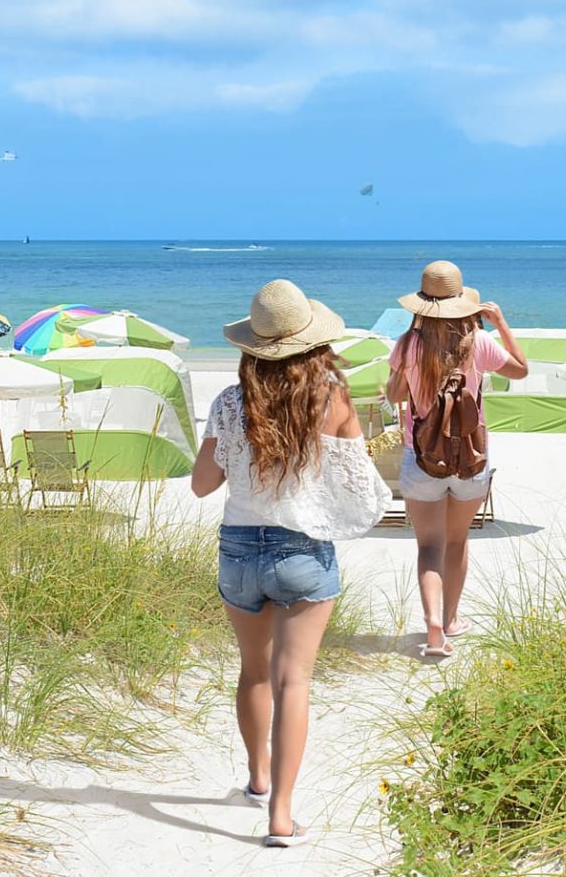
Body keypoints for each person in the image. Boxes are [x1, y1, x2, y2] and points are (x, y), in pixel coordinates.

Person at [193, 279, 382, 848]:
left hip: (240, 549)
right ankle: (280, 815)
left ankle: (255, 779)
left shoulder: (230, 403)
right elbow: (359, 489)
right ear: (312, 344)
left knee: (254, 672)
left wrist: (232, 451)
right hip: (302, 551)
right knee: (293, 681)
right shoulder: (332, 399)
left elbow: (203, 485)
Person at [385, 260, 528, 659]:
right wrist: (499, 323)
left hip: (421, 459)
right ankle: (451, 619)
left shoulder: (407, 345)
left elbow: (395, 395)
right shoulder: (478, 342)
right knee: (457, 540)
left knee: (429, 546)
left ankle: (432, 623)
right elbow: (521, 370)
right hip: (471, 459)